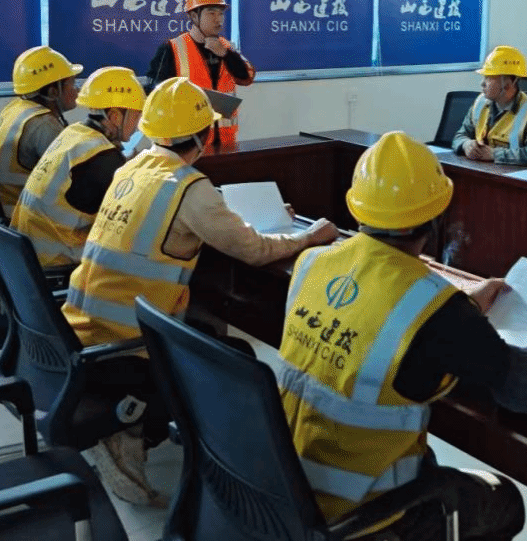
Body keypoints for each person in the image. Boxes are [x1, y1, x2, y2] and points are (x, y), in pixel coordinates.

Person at [278, 131, 527, 541]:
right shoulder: (438, 312)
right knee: (504, 505)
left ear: (357, 208)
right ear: (435, 217)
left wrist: (465, 307)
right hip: (356, 511)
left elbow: (378, 315)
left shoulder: (312, 262)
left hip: (284, 480)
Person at [62, 76, 339, 507]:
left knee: (209, 330)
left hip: (79, 325)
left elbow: (180, 210)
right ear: (204, 136)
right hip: (126, 344)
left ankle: (145, 424)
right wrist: (309, 236)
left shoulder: (130, 167)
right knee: (237, 360)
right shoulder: (191, 189)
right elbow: (255, 250)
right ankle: (129, 431)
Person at [11, 66, 145, 274]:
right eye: (136, 116)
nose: (137, 125)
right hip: (57, 262)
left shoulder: (74, 133)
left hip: (26, 255)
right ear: (115, 117)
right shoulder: (104, 160)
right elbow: (136, 216)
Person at [146, 0, 254, 147]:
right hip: (188, 145)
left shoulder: (227, 47)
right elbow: (154, 95)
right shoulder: (172, 48)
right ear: (194, 16)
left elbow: (247, 77)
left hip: (226, 143)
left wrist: (226, 54)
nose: (218, 19)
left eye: (221, 13)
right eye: (211, 13)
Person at [0, 45, 82, 214]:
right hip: (20, 217)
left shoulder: (15, 108)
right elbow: (76, 182)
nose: (77, 90)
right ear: (53, 92)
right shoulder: (44, 126)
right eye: (72, 84)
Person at [452, 45, 527, 165]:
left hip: (513, 174)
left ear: (508, 84)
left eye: (489, 78)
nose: (482, 83)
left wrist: (495, 154)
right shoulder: (480, 103)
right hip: (482, 170)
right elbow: (459, 135)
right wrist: (466, 144)